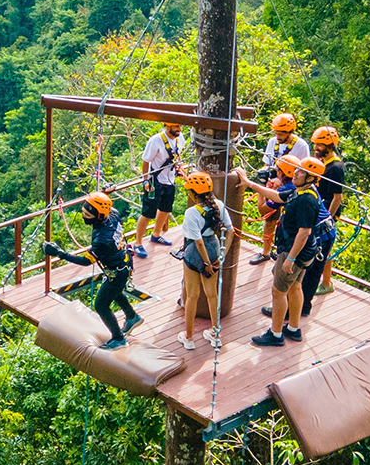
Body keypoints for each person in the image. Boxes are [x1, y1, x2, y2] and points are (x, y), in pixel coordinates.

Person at [236, 157, 324, 346]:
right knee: (295, 287)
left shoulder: (306, 200)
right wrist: (251, 184)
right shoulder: (300, 191)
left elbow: (304, 232)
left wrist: (290, 258)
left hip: (295, 251)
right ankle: (293, 327)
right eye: (297, 170)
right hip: (304, 251)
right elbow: (276, 197)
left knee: (278, 291)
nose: (296, 173)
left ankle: (275, 334)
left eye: (301, 172)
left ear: (310, 178)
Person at [43, 191, 142, 351]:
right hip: (122, 264)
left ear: (99, 216)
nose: (84, 216)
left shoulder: (102, 240)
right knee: (115, 292)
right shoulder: (113, 214)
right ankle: (132, 316)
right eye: (83, 212)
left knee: (101, 305)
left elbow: (86, 261)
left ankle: (118, 338)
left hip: (116, 272)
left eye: (87, 215)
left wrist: (60, 254)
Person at [177, 171, 234, 351]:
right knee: (212, 295)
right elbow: (230, 230)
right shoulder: (218, 205)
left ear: (194, 193)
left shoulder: (191, 213)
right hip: (214, 248)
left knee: (192, 295)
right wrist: (221, 257)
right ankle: (215, 334)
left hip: (196, 253)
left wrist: (206, 263)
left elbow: (198, 242)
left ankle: (188, 337)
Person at [134, 122, 186, 258]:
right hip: (154, 181)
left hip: (170, 179)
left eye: (180, 127)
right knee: (148, 212)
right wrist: (146, 180)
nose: (179, 130)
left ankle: (156, 234)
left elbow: (177, 156)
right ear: (167, 127)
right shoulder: (156, 141)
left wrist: (180, 168)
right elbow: (145, 162)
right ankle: (138, 243)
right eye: (176, 127)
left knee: (165, 208)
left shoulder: (180, 138)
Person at [310, 126, 345, 296]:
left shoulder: (335, 168)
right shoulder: (322, 163)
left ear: (330, 146)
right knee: (321, 246)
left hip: (328, 212)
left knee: (325, 247)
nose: (316, 148)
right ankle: (323, 280)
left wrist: (328, 219)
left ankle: (326, 282)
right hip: (320, 209)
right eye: (315, 145)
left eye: (320, 145)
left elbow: (337, 197)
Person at [249, 154, 300, 265]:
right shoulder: (299, 185)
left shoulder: (284, 190)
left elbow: (262, 210)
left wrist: (261, 186)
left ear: (281, 173)